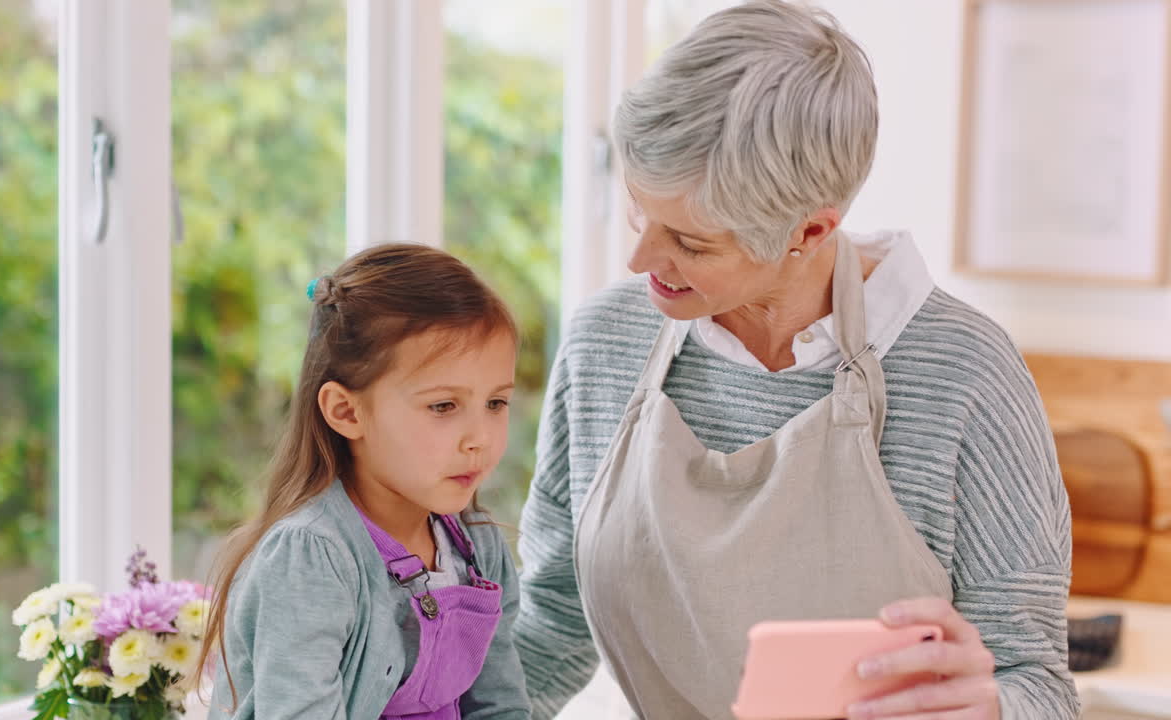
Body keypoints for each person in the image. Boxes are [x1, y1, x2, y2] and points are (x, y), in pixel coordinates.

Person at [513, 2, 1076, 719]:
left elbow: (1038, 684)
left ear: (809, 229)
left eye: (690, 242)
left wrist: (993, 708)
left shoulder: (964, 374)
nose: (640, 259)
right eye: (637, 210)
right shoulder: (606, 342)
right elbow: (553, 621)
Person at [197, 243, 531, 719]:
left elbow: (501, 708)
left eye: (496, 403)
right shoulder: (312, 558)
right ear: (346, 411)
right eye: (443, 406)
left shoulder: (477, 546)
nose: (479, 438)